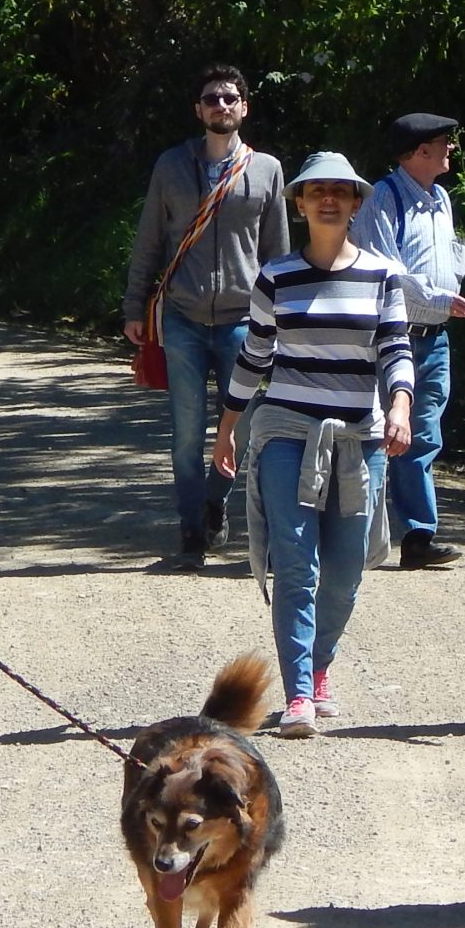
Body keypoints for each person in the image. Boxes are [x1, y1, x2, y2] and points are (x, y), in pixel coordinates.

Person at [214, 153, 415, 738]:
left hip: (358, 437)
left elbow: (395, 349)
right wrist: (227, 428)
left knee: (346, 569)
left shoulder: (382, 275)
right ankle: (299, 690)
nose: (329, 199)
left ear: (355, 204)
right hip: (285, 432)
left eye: (340, 191)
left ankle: (320, 665)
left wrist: (400, 407)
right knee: (296, 564)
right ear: (299, 204)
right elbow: (255, 355)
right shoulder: (276, 276)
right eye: (317, 191)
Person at [122, 64, 289, 567]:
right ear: (198, 109)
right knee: (187, 431)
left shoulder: (267, 170)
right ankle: (192, 529)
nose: (221, 105)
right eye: (212, 98)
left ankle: (215, 500)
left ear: (244, 108)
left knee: (241, 428)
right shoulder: (171, 165)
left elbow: (278, 254)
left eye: (230, 98)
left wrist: (284, 317)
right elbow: (149, 239)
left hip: (244, 320)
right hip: (183, 317)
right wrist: (134, 306)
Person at [351, 112, 465, 569]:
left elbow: (451, 257)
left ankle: (419, 538)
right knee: (378, 434)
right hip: (392, 335)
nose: (450, 149)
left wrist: (447, 296)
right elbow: (386, 268)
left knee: (422, 435)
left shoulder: (441, 198)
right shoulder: (383, 197)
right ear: (420, 151)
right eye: (443, 143)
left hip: (436, 337)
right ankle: (357, 536)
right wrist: (439, 297)